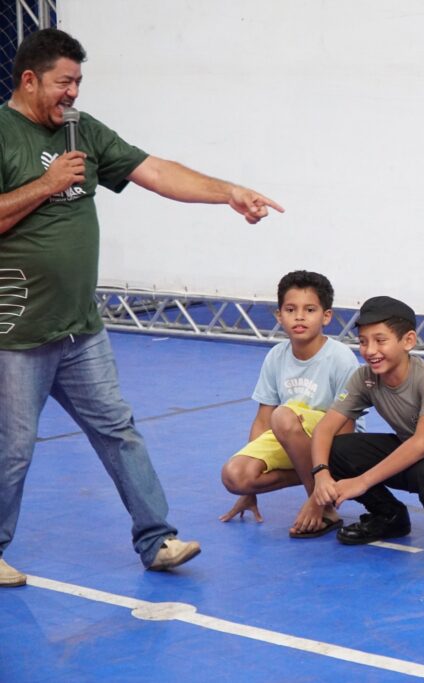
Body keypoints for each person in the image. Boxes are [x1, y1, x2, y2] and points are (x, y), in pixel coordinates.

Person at [0, 28, 284, 585]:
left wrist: (228, 192)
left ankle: (157, 541)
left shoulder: (83, 130)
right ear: (29, 79)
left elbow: (154, 171)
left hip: (80, 329)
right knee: (12, 450)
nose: (73, 93)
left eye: (78, 82)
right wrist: (46, 184)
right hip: (17, 334)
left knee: (119, 431)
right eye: (64, 82)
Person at [310, 296, 424, 563]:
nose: (370, 350)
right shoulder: (364, 377)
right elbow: (324, 430)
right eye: (363, 341)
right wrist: (321, 474)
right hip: (415, 447)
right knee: (337, 450)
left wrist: (362, 481)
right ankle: (388, 516)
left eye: (380, 340)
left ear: (408, 341)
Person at [219, 270, 360, 538]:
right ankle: (313, 476)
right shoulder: (276, 356)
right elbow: (263, 420)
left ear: (326, 316)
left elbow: (346, 427)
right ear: (279, 316)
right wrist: (250, 492)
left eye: (310, 309)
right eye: (291, 309)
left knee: (284, 416)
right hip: (290, 433)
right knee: (234, 476)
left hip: (337, 440)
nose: (299, 317)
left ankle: (323, 503)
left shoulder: (340, 358)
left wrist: (315, 496)